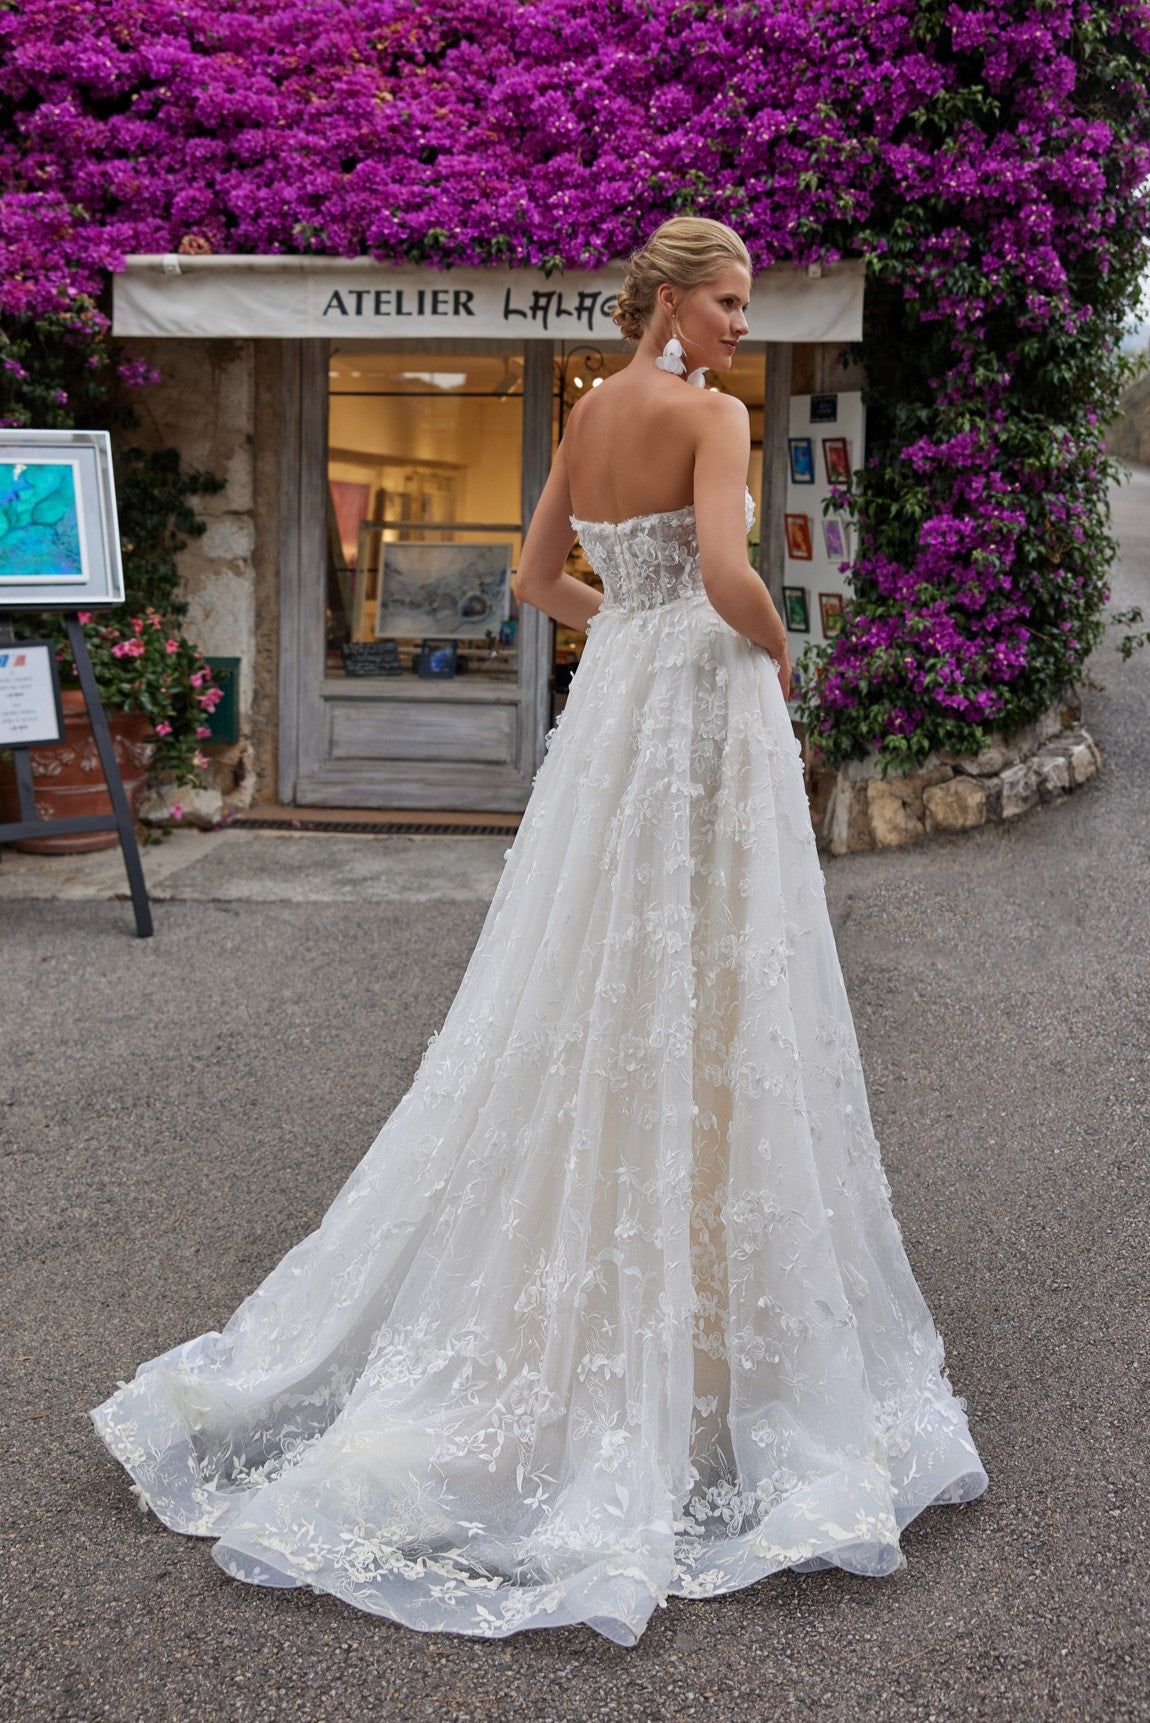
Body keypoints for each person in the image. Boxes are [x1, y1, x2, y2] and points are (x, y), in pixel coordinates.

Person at [91, 217, 989, 1648]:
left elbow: (532, 586)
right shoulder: (707, 416)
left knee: (589, 976)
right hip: (697, 721)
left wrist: (624, 637)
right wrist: (774, 653)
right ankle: (690, 1321)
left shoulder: (583, 411)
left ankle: (633, 1285)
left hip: (619, 715)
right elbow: (722, 572)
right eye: (730, 303)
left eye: (750, 307)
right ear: (675, 304)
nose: (742, 327)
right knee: (706, 979)